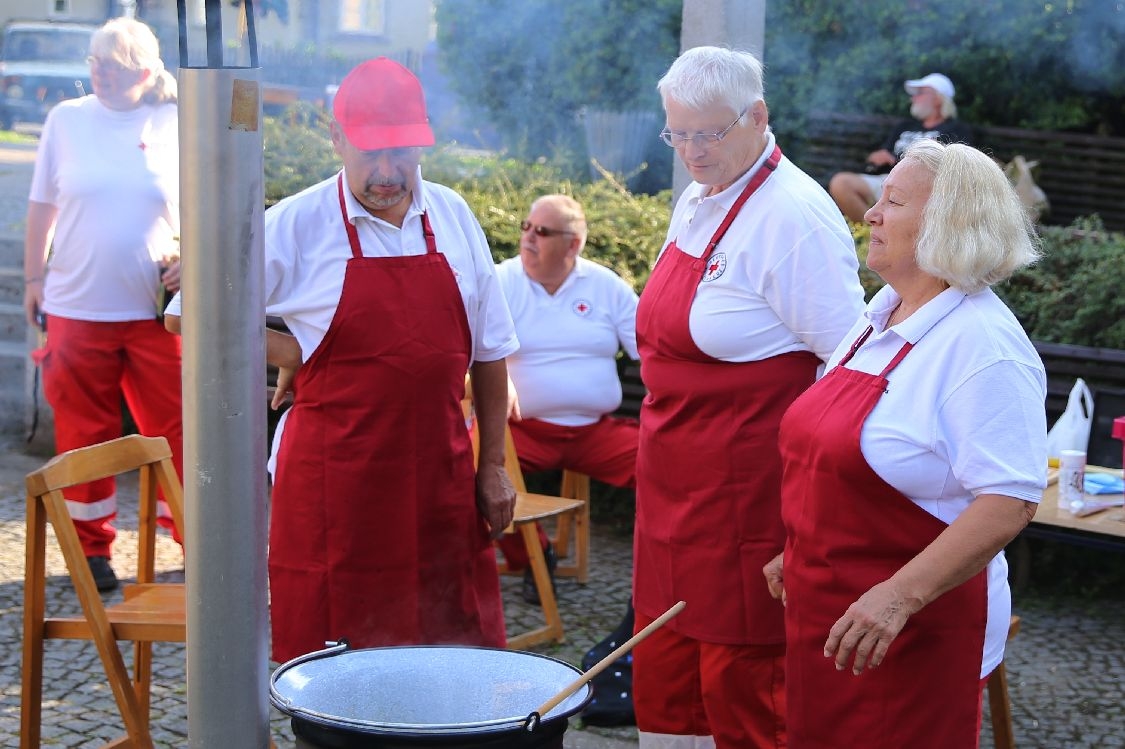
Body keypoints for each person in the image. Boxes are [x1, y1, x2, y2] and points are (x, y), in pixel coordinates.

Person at [764, 139, 1045, 748]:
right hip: (831, 613)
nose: (870, 213)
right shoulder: (880, 316)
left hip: (911, 630)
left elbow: (1009, 500)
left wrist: (898, 595)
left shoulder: (984, 347)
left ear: (949, 224)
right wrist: (806, 542)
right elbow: (844, 455)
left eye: (892, 200)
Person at [632, 46, 866, 748]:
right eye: (677, 134)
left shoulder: (795, 216)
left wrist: (809, 523)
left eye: (708, 133)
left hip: (748, 507)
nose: (692, 152)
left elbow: (849, 365)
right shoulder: (696, 197)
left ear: (756, 116)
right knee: (667, 688)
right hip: (672, 499)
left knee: (745, 697)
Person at [256, 58, 518, 664]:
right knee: (334, 662)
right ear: (336, 138)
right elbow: (189, 312)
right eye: (369, 153)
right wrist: (290, 348)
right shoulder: (296, 223)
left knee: (446, 654)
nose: (385, 172)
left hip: (440, 479)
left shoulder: (452, 214)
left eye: (401, 153)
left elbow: (491, 348)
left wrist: (494, 468)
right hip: (334, 490)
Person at [23, 17, 182, 593]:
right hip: (75, 306)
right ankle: (90, 554)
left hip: (155, 315)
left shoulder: (172, 122)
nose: (100, 74)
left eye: (113, 65)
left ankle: (192, 542)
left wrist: (191, 258)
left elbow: (200, 211)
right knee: (83, 437)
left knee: (178, 433)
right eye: (94, 62)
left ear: (145, 70)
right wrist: (32, 278)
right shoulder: (66, 121)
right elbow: (42, 206)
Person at [494, 194, 639, 605]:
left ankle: (660, 578)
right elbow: (466, 351)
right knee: (470, 471)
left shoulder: (606, 286)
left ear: (573, 244)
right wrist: (498, 379)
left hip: (596, 432)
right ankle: (537, 557)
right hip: (521, 432)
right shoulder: (500, 280)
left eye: (541, 231)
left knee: (671, 465)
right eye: (526, 226)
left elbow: (654, 350)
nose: (528, 238)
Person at [828, 73, 974, 222]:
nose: (913, 98)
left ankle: (888, 237)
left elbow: (955, 167)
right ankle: (875, 236)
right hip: (887, 180)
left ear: (938, 99)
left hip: (922, 188)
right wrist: (877, 157)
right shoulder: (905, 126)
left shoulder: (956, 130)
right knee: (841, 183)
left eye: (920, 93)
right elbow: (882, 154)